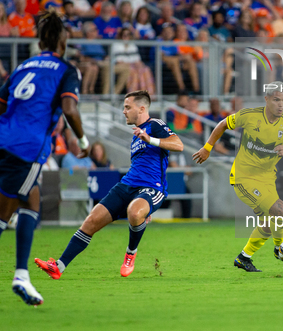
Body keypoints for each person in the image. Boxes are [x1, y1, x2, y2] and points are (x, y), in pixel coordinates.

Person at [0, 10, 89, 306]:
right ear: (62, 41)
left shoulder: (22, 67)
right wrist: (83, 139)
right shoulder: (66, 70)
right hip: (27, 147)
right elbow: (69, 108)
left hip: (3, 141)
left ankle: (19, 274)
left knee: (31, 200)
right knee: (3, 212)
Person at [35, 91, 184, 278]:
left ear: (142, 108)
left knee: (135, 212)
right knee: (91, 221)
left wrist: (150, 139)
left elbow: (178, 145)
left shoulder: (155, 125)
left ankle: (131, 253)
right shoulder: (136, 135)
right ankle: (58, 267)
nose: (124, 111)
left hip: (152, 187)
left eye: (127, 107)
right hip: (127, 185)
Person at [192, 82, 283, 272]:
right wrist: (207, 147)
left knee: (275, 217)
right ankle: (279, 248)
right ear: (267, 99)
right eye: (276, 100)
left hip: (267, 178)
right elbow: (223, 124)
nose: (281, 104)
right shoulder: (250, 116)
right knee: (279, 209)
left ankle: (245, 258)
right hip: (244, 178)